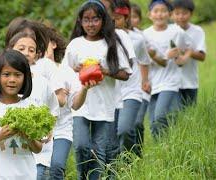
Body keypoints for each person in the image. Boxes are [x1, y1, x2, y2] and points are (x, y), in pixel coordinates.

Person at [63, 0, 132, 179]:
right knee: (81, 146)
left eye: (95, 19)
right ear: (80, 21)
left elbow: (126, 74)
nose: (91, 24)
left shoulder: (111, 43)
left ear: (103, 20)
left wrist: (105, 71)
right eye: (86, 19)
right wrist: (76, 69)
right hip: (80, 104)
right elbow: (64, 71)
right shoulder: (75, 44)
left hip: (104, 105)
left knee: (99, 151)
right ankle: (82, 176)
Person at [0, 49, 42, 180]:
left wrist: (27, 136)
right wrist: (0, 136)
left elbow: (38, 148)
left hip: (26, 175)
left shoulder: (31, 105)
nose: (12, 80)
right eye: (6, 74)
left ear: (25, 77)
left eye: (17, 75)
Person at [43, 27, 98, 179]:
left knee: (56, 167)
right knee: (41, 172)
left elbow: (74, 104)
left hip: (62, 129)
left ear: (53, 44)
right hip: (39, 131)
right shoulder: (31, 72)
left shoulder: (65, 70)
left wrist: (85, 89)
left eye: (44, 45)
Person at [7, 31, 61, 180]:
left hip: (39, 152)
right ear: (10, 50)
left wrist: (49, 128)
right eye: (21, 48)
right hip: (11, 153)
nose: (26, 53)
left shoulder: (42, 83)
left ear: (37, 55)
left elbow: (54, 109)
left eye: (31, 50)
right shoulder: (4, 82)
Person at [143, 0, 194, 138]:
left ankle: (169, 144)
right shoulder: (145, 34)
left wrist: (183, 59)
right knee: (153, 122)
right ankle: (162, 150)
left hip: (170, 81)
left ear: (170, 14)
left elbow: (189, 47)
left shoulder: (176, 31)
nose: (160, 14)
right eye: (156, 11)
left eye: (163, 11)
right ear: (149, 15)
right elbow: (142, 60)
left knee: (160, 117)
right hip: (152, 82)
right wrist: (144, 80)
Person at [111, 0, 151, 157]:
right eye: (111, 19)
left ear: (126, 18)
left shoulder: (137, 39)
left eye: (118, 18)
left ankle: (131, 160)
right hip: (111, 93)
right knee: (112, 138)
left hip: (132, 91)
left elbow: (144, 61)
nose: (114, 22)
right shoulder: (102, 40)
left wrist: (145, 80)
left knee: (125, 129)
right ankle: (121, 166)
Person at [171, 0, 206, 107]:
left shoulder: (198, 31)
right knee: (174, 113)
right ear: (171, 14)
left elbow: (202, 56)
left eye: (184, 13)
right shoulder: (168, 31)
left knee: (190, 113)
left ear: (191, 14)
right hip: (172, 82)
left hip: (190, 81)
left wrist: (189, 53)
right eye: (177, 13)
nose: (181, 16)